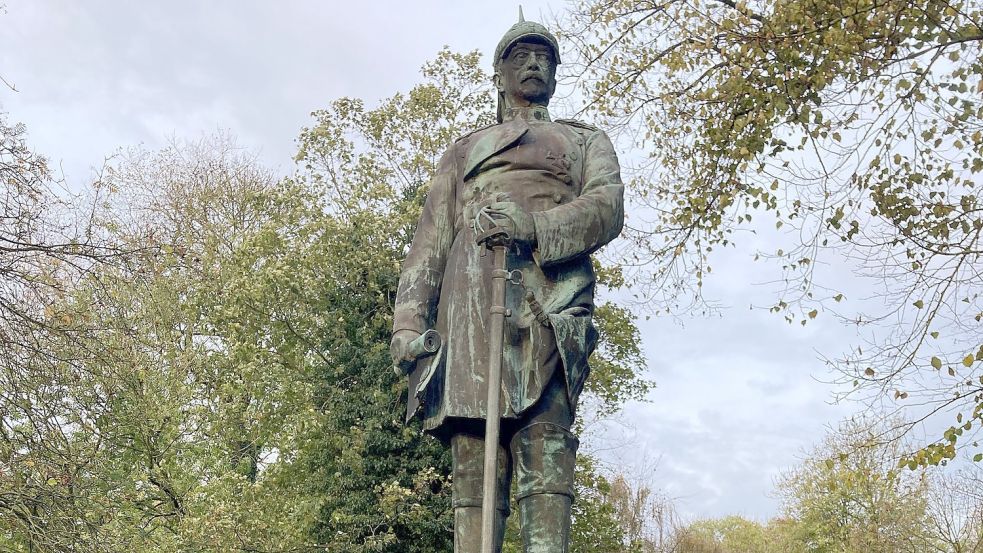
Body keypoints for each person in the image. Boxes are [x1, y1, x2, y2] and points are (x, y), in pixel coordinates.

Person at [390, 14, 624, 552]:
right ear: (499, 75)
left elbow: (607, 207)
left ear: (557, 74)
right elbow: (429, 243)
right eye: (520, 56)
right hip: (470, 311)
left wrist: (535, 227)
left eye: (544, 56)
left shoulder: (584, 141)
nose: (534, 63)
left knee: (547, 463)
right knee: (474, 477)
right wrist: (408, 323)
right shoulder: (462, 151)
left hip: (549, 302)